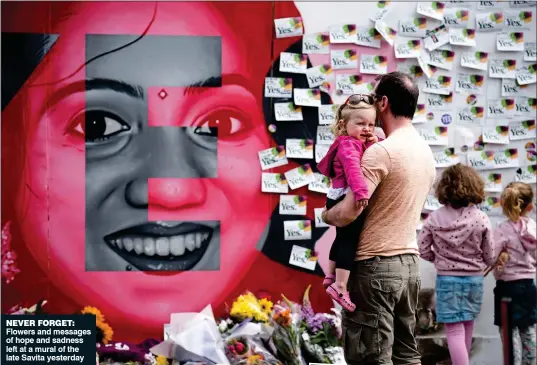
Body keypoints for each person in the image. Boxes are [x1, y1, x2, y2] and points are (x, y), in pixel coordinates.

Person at [1, 1, 334, 341]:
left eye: (219, 123)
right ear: (12, 151)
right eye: (97, 125)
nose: (170, 189)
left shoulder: (326, 331)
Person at [322, 72, 436, 365]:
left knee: (370, 357)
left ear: (383, 102)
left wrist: (326, 214)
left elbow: (349, 212)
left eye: (374, 100)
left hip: (374, 267)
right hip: (409, 265)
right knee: (407, 354)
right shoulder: (424, 151)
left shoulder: (380, 153)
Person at [418, 163, 496, 365]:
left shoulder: (435, 218)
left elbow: (423, 248)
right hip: (474, 280)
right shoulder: (481, 218)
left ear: (444, 188)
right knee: (468, 323)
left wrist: (438, 260)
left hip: (447, 281)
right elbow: (490, 255)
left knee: (453, 329)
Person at [316, 96, 378, 311]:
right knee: (350, 242)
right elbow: (353, 169)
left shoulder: (348, 142)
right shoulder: (349, 146)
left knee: (341, 237)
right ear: (343, 125)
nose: (367, 128)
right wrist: (361, 193)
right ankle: (340, 286)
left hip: (335, 194)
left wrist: (370, 142)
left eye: (371, 124)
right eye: (360, 123)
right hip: (346, 195)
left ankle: (330, 275)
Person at [492, 182, 536, 365]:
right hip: (528, 288)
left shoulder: (502, 230)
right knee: (528, 333)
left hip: (506, 291)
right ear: (530, 207)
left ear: (504, 203)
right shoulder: (533, 227)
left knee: (510, 336)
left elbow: (491, 257)